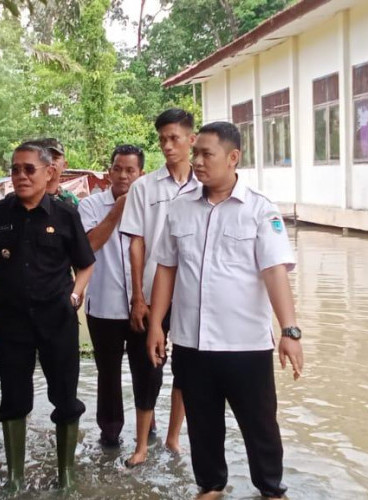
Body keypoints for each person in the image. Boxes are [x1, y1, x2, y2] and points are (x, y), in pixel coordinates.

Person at [148, 121, 304, 499]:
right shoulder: (180, 208)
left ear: (233, 158)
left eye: (206, 154)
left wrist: (290, 331)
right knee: (202, 423)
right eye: (196, 153)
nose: (197, 161)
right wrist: (156, 324)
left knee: (260, 424)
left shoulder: (259, 211)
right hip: (191, 341)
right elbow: (167, 269)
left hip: (244, 345)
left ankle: (270, 488)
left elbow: (274, 272)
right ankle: (211, 486)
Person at [0, 142, 95, 490]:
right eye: (15, 169)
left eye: (28, 169)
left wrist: (74, 294)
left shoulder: (65, 214)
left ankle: (66, 475)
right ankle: (14, 477)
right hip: (11, 323)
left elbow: (86, 264)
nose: (20, 176)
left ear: (49, 173)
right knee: (13, 397)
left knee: (66, 396)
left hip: (57, 320)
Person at [119, 108, 197, 466]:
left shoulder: (206, 184)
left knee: (187, 368)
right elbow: (136, 243)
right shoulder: (143, 188)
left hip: (194, 298)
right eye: (162, 139)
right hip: (152, 295)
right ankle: (140, 445)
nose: (167, 146)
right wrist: (137, 296)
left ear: (191, 140)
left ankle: (173, 437)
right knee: (146, 367)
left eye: (174, 138)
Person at [78, 145, 157, 451]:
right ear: (108, 171)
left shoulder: (153, 206)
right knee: (108, 373)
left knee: (148, 367)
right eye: (118, 169)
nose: (123, 175)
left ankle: (147, 424)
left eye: (130, 170)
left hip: (146, 304)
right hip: (104, 305)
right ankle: (110, 432)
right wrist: (118, 210)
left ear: (142, 174)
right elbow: (88, 247)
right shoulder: (90, 206)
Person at [41, 138, 79, 206]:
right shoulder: (25, 197)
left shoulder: (71, 201)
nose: (50, 162)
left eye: (55, 158)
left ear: (64, 165)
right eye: (45, 158)